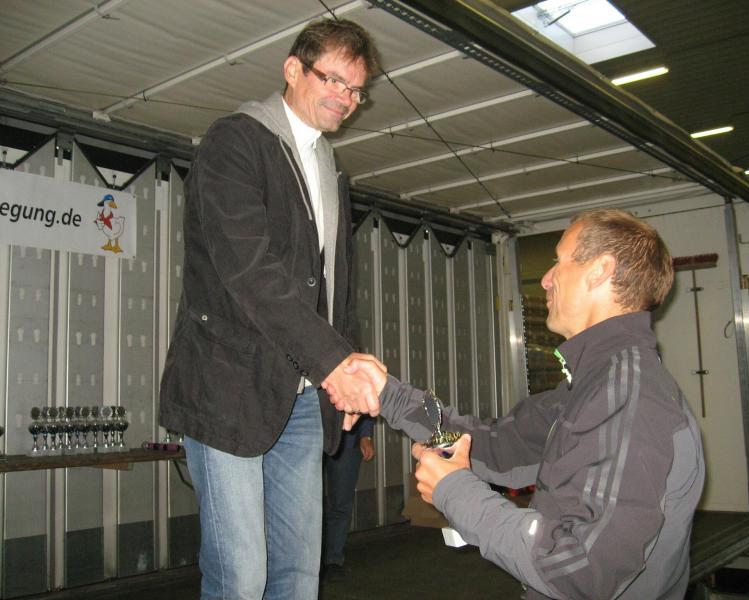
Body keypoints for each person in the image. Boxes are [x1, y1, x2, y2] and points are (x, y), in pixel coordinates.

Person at [338, 208, 706, 599]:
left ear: (600, 271)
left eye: (559, 261)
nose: (546, 279)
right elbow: (495, 445)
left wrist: (456, 491)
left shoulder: (628, 396)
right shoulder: (594, 386)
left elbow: (582, 568)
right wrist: (388, 394)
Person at [158, 19, 382, 600]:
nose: (346, 99)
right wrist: (337, 365)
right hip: (229, 386)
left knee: (298, 573)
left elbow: (337, 291)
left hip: (302, 397)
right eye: (333, 80)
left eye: (356, 91)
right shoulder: (236, 141)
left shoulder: (330, 167)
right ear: (292, 69)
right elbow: (248, 271)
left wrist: (342, 375)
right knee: (240, 575)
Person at [322, 416, 375, 580]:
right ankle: (307, 560)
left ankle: (333, 561)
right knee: (307, 504)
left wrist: (366, 435)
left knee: (341, 501)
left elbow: (364, 400)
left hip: (347, 438)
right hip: (311, 435)